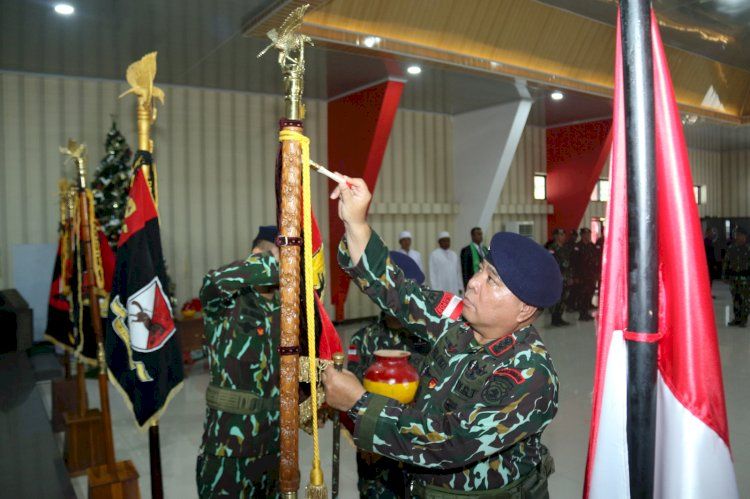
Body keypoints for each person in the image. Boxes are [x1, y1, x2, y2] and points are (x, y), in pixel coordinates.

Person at [323, 177, 561, 497]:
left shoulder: (529, 374)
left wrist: (358, 403)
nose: (474, 282)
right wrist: (355, 221)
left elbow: (450, 441)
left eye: (491, 280)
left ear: (524, 310)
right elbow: (399, 292)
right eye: (481, 270)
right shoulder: (460, 323)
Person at [196, 225, 281, 498]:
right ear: (257, 254)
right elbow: (212, 282)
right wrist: (270, 262)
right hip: (229, 449)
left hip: (276, 448)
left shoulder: (288, 312)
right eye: (284, 255)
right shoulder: (227, 302)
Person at [348, 251, 430, 498]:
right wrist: (362, 435)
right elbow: (351, 392)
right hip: (376, 451)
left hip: (419, 449)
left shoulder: (428, 340)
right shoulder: (364, 339)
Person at [723, 227, 750, 327]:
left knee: (745, 300)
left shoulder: (748, 249)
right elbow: (726, 263)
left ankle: (743, 319)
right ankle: (737, 318)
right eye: (738, 235)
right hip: (734, 278)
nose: (739, 237)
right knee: (736, 299)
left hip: (746, 279)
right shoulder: (731, 249)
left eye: (741, 235)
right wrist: (724, 276)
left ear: (745, 237)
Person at [571, 228, 598, 321]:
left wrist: (597, 273)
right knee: (582, 295)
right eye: (585, 234)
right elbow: (574, 263)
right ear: (581, 235)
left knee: (589, 294)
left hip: (591, 275)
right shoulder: (577, 247)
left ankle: (586, 312)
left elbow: (596, 261)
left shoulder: (592, 246)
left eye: (588, 234)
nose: (587, 236)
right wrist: (575, 276)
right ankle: (582, 314)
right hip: (581, 275)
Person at [548, 228, 572, 327]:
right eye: (561, 235)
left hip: (566, 278)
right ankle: (555, 319)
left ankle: (560, 318)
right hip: (556, 278)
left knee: (564, 299)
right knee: (557, 299)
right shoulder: (552, 248)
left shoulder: (566, 248)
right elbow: (551, 264)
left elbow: (569, 263)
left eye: (563, 235)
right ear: (556, 236)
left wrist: (570, 276)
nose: (563, 237)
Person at [428, 231, 463, 296]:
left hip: (454, 288)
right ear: (439, 242)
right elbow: (432, 274)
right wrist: (434, 290)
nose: (446, 243)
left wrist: (460, 287)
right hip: (440, 289)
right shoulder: (434, 254)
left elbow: (458, 272)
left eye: (448, 241)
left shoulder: (454, 254)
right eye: (444, 241)